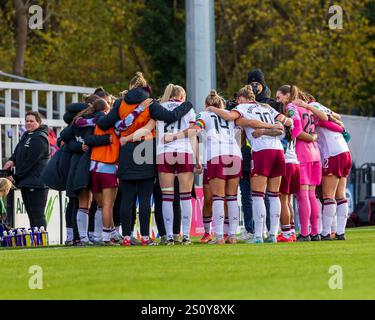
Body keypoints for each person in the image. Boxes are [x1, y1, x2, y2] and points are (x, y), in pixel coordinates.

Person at [95, 72, 194, 246]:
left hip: (126, 149)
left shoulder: (120, 104)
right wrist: (187, 105)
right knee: (145, 195)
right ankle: (146, 238)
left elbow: (103, 124)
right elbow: (171, 116)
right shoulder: (150, 103)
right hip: (147, 149)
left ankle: (126, 236)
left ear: (131, 86)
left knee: (127, 198)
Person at [207, 85, 293, 243]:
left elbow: (228, 117)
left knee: (258, 195)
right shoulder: (267, 108)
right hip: (279, 151)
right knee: (274, 195)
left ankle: (259, 235)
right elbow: (285, 125)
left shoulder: (242, 107)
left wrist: (213, 108)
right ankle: (273, 235)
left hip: (262, 151)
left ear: (241, 99)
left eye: (237, 99)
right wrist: (269, 127)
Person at [166, 90, 242, 244]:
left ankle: (219, 236)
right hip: (234, 153)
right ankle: (232, 235)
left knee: (218, 196)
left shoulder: (204, 114)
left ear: (207, 105)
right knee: (232, 197)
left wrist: (174, 136)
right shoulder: (230, 115)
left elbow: (195, 130)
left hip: (216, 154)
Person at [305, 98, 352, 240]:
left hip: (333, 153)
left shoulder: (310, 108)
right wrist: (338, 124)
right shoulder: (319, 105)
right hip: (345, 151)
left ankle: (325, 233)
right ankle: (340, 232)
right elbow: (338, 119)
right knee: (340, 195)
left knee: (327, 195)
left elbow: (325, 120)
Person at [4, 112, 50, 229]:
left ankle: (42, 242)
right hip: (26, 181)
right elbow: (18, 151)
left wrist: (15, 176)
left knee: (38, 215)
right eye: (27, 121)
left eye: (31, 121)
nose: (28, 123)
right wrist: (12, 160)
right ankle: (36, 240)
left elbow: (30, 162)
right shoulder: (27, 135)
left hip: (37, 183)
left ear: (38, 123)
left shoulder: (40, 138)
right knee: (31, 215)